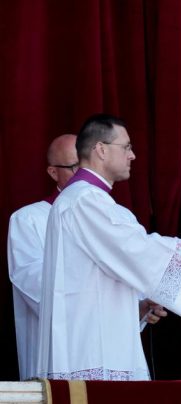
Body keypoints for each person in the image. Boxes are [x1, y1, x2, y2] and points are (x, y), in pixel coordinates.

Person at [36, 114, 181, 381]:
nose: (133, 156)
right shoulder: (84, 199)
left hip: (98, 337)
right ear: (101, 150)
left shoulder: (89, 199)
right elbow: (133, 248)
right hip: (92, 348)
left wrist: (138, 305)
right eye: (126, 147)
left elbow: (106, 270)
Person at [8, 134, 78, 380]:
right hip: (58, 352)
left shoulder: (116, 215)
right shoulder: (29, 219)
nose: (83, 176)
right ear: (52, 172)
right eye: (74, 167)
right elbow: (35, 284)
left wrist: (140, 307)